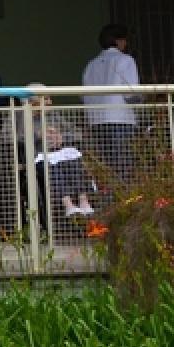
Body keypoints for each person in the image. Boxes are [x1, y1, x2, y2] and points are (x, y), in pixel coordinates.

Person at [82, 24, 141, 179]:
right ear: (118, 41)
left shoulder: (91, 64)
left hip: (96, 120)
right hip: (120, 118)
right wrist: (143, 99)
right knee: (123, 165)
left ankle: (108, 200)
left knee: (105, 165)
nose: (126, 44)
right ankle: (125, 200)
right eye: (124, 40)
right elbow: (131, 93)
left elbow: (84, 95)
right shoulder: (125, 60)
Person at [36, 119, 96, 219]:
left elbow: (76, 132)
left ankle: (83, 200)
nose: (48, 102)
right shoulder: (23, 118)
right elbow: (17, 138)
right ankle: (68, 204)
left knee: (74, 162)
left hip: (62, 151)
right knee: (53, 168)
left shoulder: (55, 116)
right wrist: (39, 136)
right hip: (41, 154)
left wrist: (59, 135)